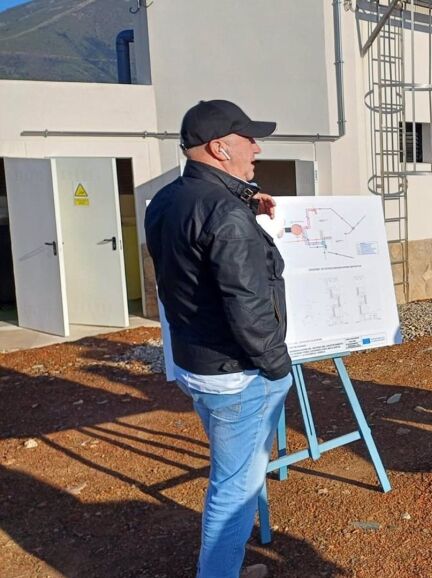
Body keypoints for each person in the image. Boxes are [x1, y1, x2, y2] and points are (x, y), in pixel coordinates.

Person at [145, 99, 293, 578]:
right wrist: (278, 368)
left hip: (196, 363)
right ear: (220, 148)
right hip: (239, 374)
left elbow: (197, 253)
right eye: (248, 139)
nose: (257, 148)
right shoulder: (225, 215)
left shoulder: (167, 200)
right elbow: (248, 308)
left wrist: (246, 204)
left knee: (231, 479)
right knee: (234, 492)